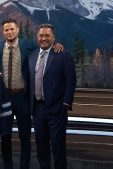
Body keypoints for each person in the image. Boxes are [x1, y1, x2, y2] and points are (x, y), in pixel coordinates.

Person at [0, 18, 63, 169]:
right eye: (6, 29)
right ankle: (8, 166)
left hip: (23, 97)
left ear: (17, 30)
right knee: (5, 136)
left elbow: (45, 48)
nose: (9, 32)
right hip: (4, 98)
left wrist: (56, 46)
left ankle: (24, 166)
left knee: (25, 136)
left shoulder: (29, 46)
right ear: (3, 31)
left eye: (12, 29)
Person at [28, 24, 76, 169]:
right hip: (37, 110)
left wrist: (66, 104)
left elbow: (71, 80)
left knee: (58, 147)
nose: (44, 38)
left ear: (53, 37)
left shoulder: (63, 55)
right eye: (41, 36)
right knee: (42, 148)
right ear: (37, 38)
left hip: (57, 110)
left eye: (47, 36)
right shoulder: (32, 56)